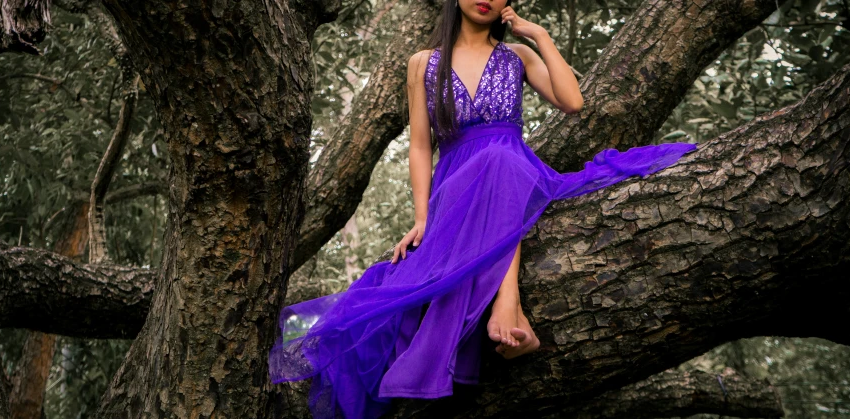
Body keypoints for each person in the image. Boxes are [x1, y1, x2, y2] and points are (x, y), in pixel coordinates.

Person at [269, 1, 697, 418]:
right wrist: (421, 218)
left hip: (516, 168)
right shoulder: (423, 62)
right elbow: (421, 146)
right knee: (491, 168)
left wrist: (540, 35)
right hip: (456, 181)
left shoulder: (517, 55)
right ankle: (507, 312)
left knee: (501, 160)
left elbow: (573, 102)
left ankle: (506, 306)